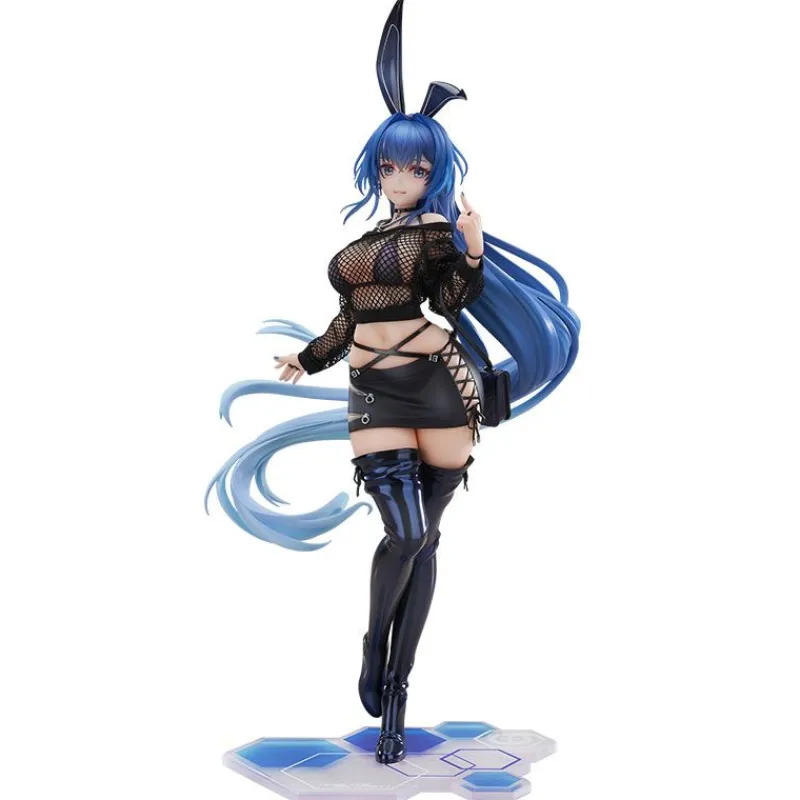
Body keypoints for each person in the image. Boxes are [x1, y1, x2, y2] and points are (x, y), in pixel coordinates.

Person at [206, 0, 580, 766]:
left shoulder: (438, 234)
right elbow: (350, 320)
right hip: (374, 392)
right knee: (405, 533)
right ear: (374, 168)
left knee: (426, 538)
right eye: (389, 166)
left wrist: (470, 253)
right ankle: (375, 644)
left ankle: (398, 693)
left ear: (434, 173)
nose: (401, 178)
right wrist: (307, 359)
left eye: (415, 168)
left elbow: (451, 303)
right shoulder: (368, 238)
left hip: (438, 386)